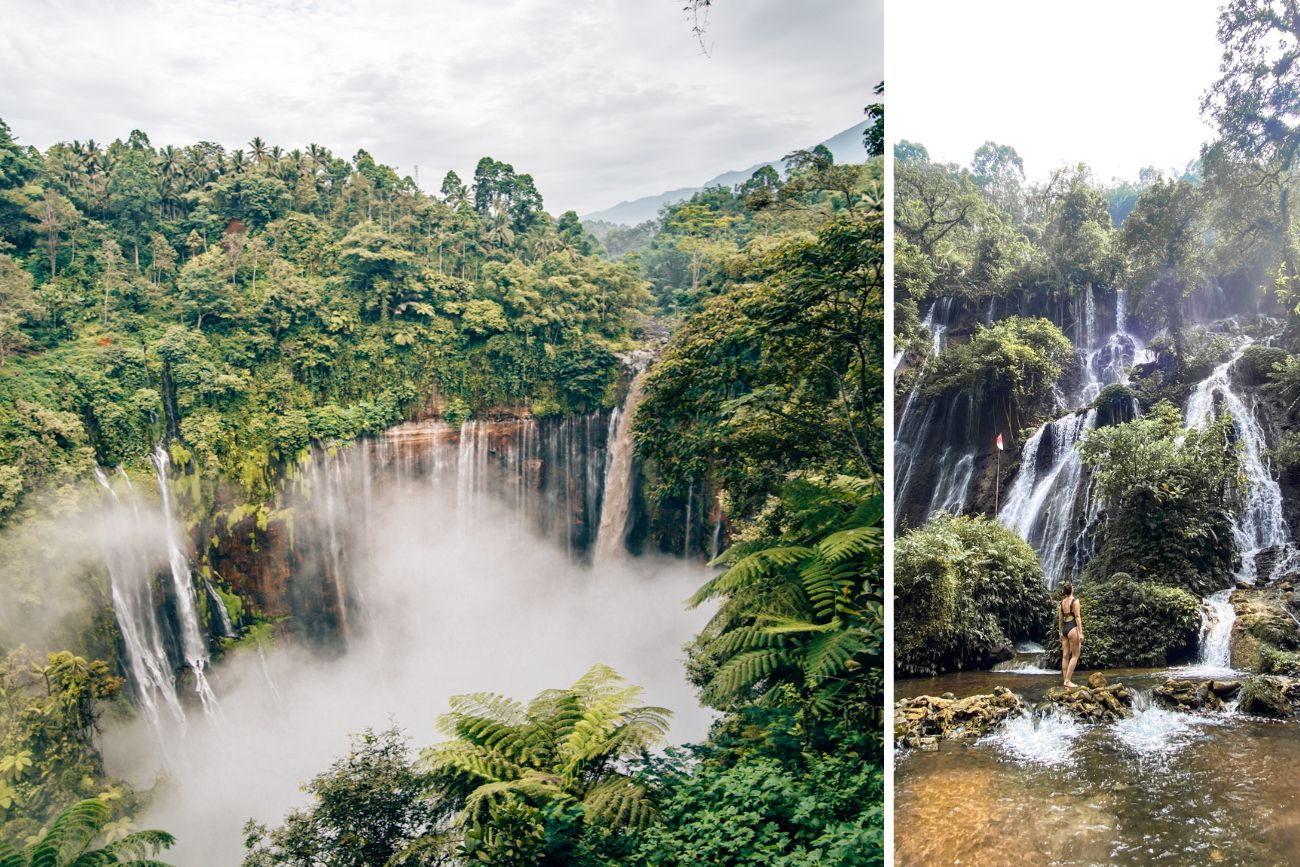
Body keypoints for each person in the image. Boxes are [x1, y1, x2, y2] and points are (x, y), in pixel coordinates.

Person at [1058, 583, 1083, 688]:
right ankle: (1068, 681)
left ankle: (1065, 680)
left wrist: (1060, 632)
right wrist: (1080, 633)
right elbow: (1077, 616)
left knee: (1065, 656)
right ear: (1072, 590)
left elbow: (1060, 619)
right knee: (1075, 655)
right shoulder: (1075, 601)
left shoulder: (1061, 603)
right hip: (1073, 627)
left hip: (1065, 628)